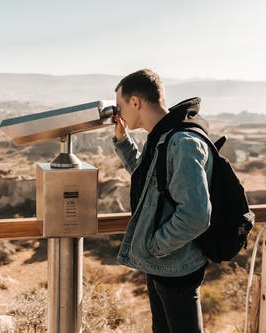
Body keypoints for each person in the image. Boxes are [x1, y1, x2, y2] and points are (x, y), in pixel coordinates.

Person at [112, 69, 212, 333]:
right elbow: (148, 180)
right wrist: (123, 140)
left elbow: (195, 215)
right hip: (163, 264)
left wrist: (155, 245)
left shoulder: (182, 142)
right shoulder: (161, 138)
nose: (119, 113)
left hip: (176, 265)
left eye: (120, 106)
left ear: (136, 102)